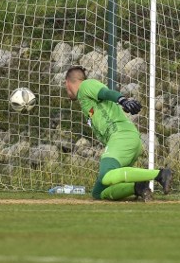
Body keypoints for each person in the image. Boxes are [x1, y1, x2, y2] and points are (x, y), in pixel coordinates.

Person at [64, 65, 171, 201]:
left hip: (122, 136)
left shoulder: (86, 85)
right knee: (98, 192)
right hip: (124, 140)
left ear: (67, 82)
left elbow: (105, 92)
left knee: (106, 175)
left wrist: (123, 100)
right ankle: (138, 188)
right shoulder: (85, 100)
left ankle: (160, 174)